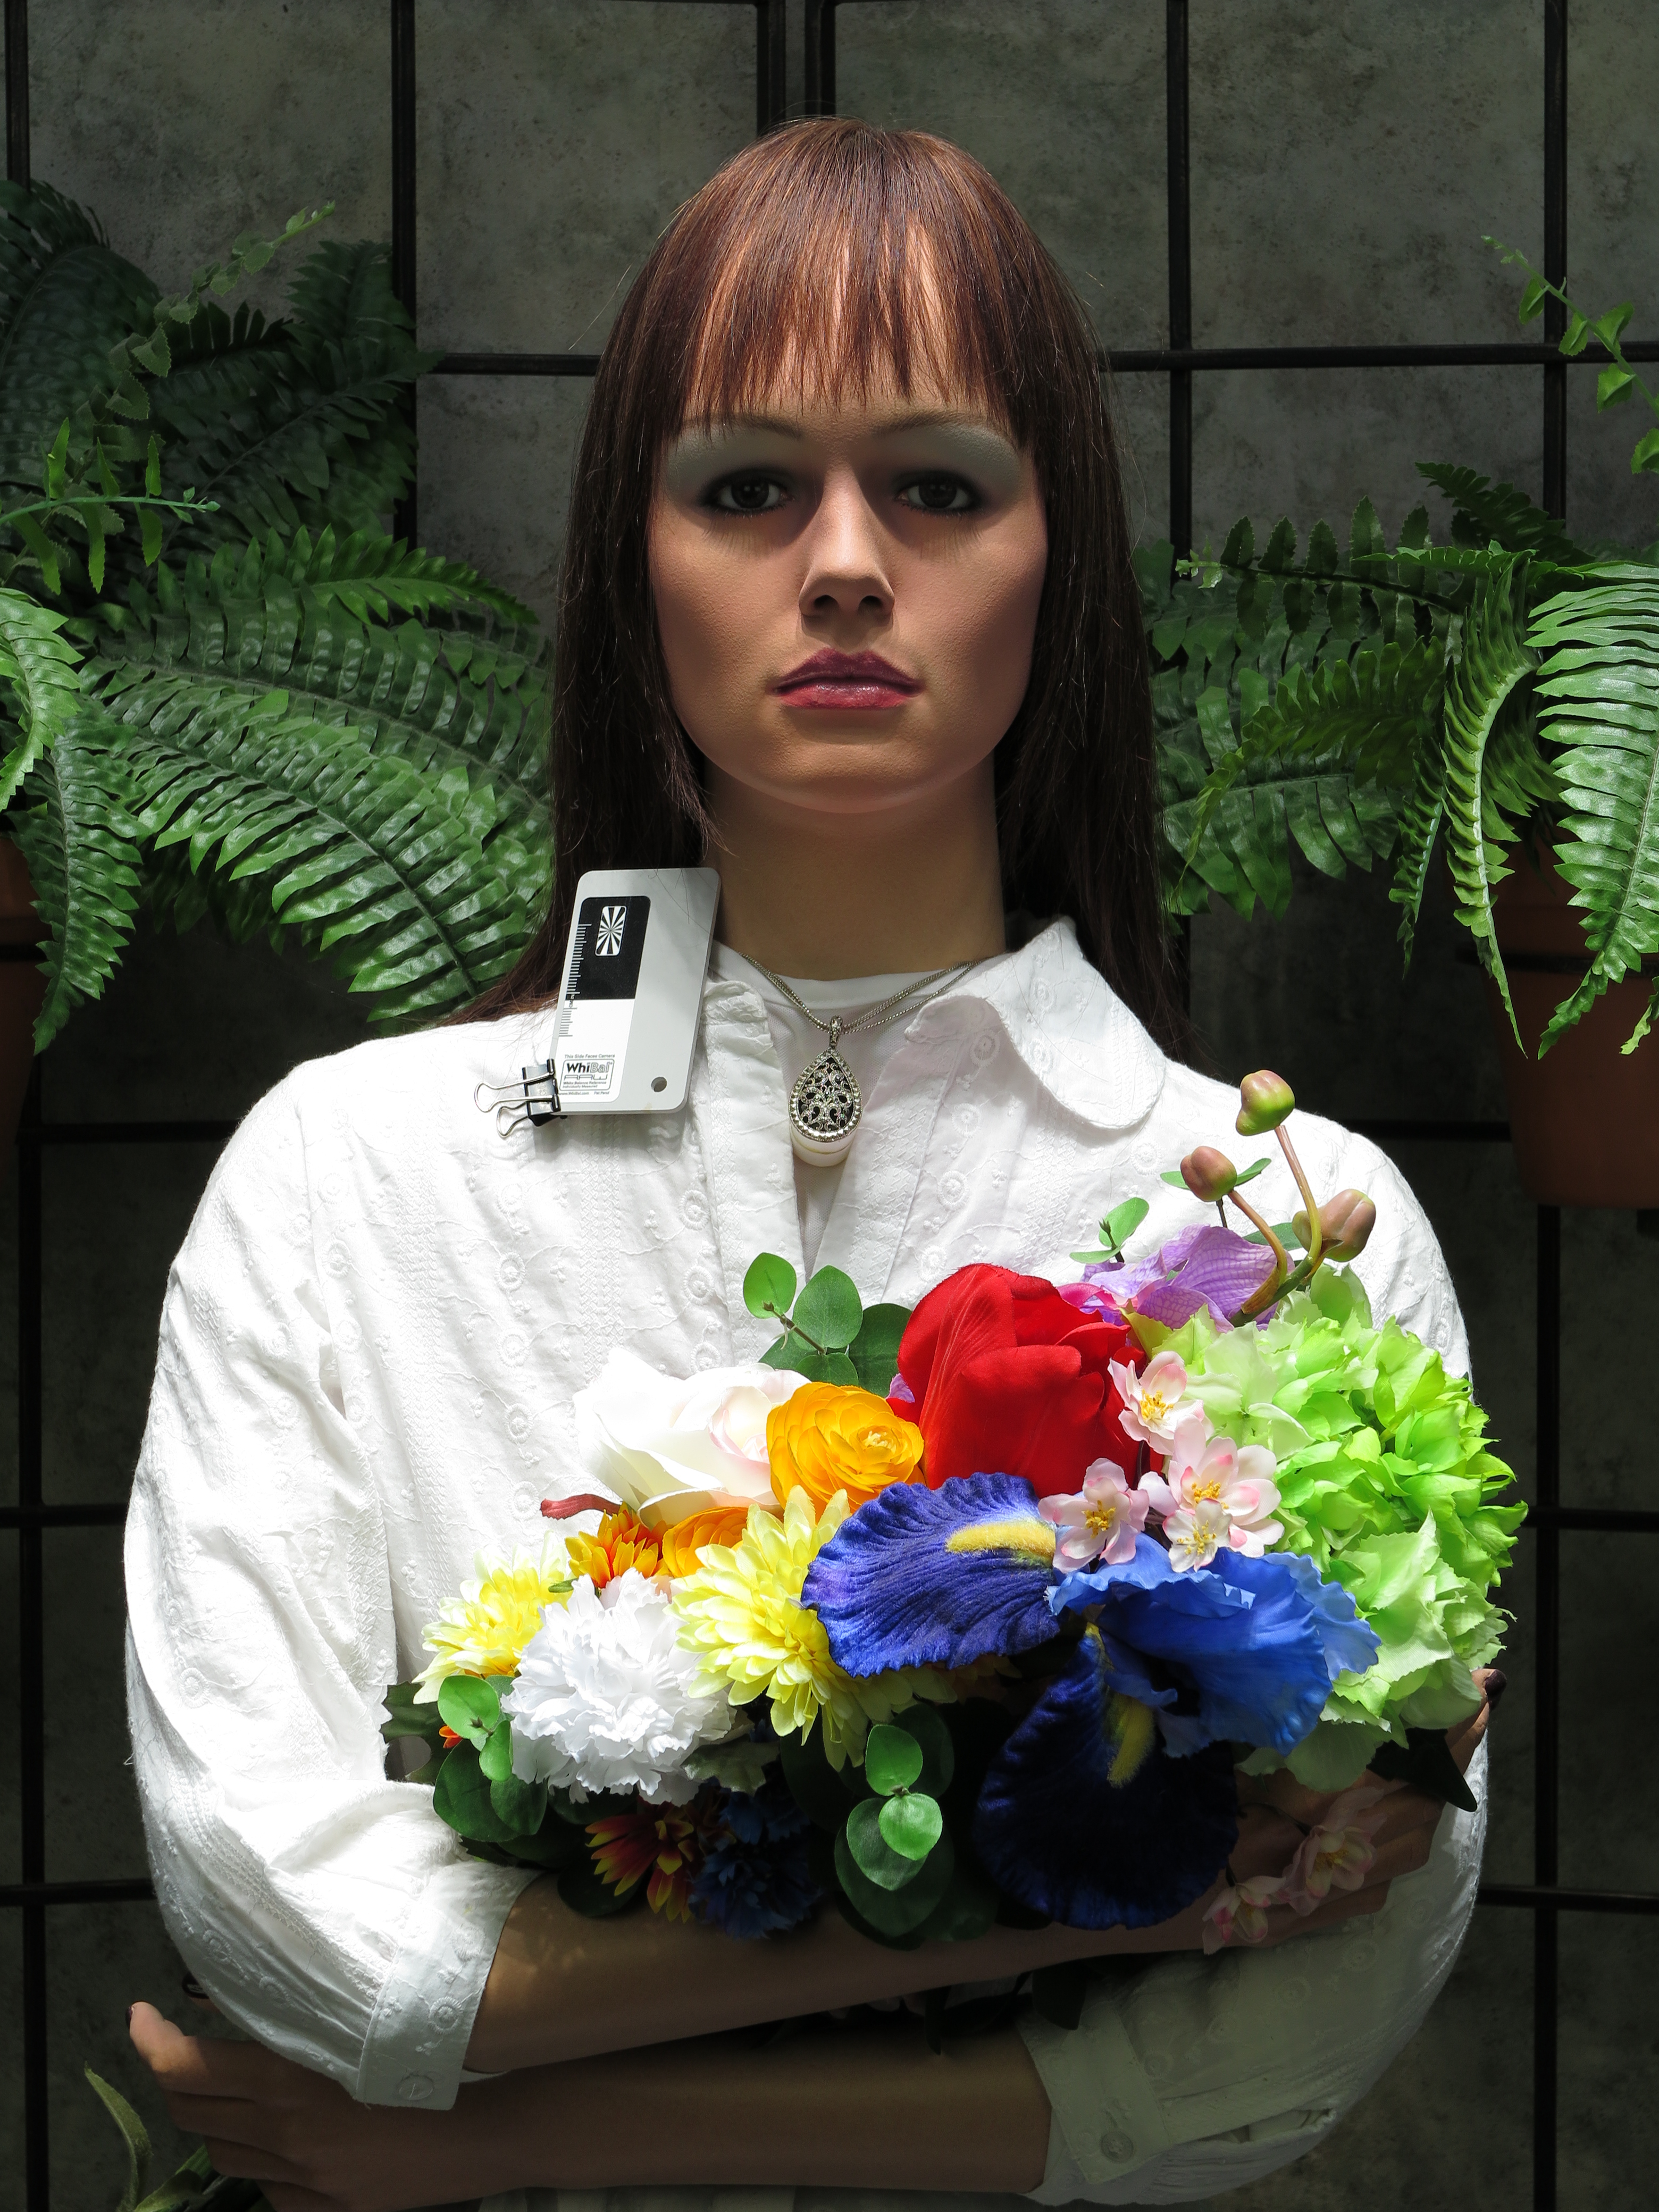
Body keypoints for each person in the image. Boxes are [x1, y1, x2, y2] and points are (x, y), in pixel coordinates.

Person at [125, 121, 1494, 2212]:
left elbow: (1287, 2050)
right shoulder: (346, 1182)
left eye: (938, 486)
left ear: (1060, 557)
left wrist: (532, 2120)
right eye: (749, 487)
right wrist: (1126, 1892)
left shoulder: (1292, 1227)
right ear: (633, 558)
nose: (845, 562)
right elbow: (281, 1902)